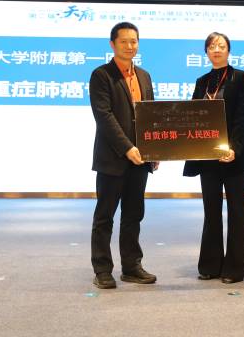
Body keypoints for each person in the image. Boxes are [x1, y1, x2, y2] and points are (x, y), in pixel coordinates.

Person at [183, 32, 244, 284]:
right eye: (212, 46)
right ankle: (210, 265)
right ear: (206, 52)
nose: (216, 49)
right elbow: (193, 115)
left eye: (221, 45)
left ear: (228, 50)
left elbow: (243, 117)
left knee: (237, 211)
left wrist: (233, 148)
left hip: (236, 156)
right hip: (208, 157)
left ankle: (234, 269)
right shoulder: (202, 81)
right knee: (211, 211)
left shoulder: (241, 77)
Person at [89, 22, 158, 289]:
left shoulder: (144, 76)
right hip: (113, 158)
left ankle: (131, 266)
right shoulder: (101, 75)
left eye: (134, 41)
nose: (130, 46)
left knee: (133, 214)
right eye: (124, 41)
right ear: (112, 44)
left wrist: (155, 149)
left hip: (141, 159)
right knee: (104, 216)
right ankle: (102, 270)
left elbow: (150, 115)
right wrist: (127, 147)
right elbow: (104, 116)